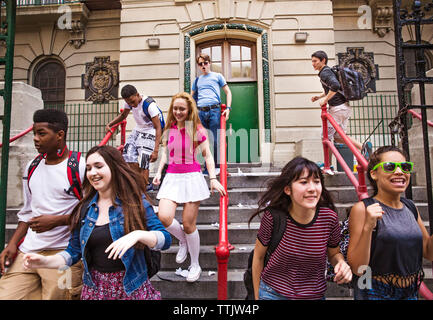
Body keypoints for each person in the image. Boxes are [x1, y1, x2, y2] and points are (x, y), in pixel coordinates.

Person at [22, 145, 171, 300]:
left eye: (98, 166)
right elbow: (73, 252)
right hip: (95, 290)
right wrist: (45, 261)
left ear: (114, 168)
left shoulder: (135, 203)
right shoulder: (85, 209)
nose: (92, 173)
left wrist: (138, 235)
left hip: (131, 288)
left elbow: (165, 240)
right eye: (88, 168)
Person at [0, 109, 85, 300]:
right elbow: (27, 212)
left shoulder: (79, 165)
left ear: (60, 135)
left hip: (64, 253)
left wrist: (59, 221)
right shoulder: (32, 166)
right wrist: (12, 244)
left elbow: (95, 212)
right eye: (34, 134)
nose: (35, 139)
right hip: (28, 252)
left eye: (42, 133)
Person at [249, 157, 352, 300]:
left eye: (316, 182)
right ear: (287, 189)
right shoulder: (274, 217)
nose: (312, 188)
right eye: (303, 182)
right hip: (273, 294)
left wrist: (341, 263)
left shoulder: (329, 218)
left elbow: (334, 254)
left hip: (314, 295)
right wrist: (256, 297)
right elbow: (258, 257)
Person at [153, 92, 226, 282]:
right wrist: (159, 172)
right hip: (172, 177)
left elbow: (208, 156)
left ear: (189, 110)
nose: (178, 112)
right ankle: (183, 240)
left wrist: (213, 178)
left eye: (182, 109)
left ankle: (195, 264)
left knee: (188, 223)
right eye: (175, 108)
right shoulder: (168, 129)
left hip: (192, 176)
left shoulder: (197, 130)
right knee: (164, 216)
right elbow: (165, 155)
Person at [347, 146, 433, 300]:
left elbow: (429, 252)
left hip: (411, 292)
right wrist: (368, 227)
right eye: (390, 167)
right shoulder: (363, 209)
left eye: (405, 167)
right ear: (374, 174)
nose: (400, 172)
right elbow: (358, 268)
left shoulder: (410, 207)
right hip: (375, 292)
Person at [311, 50, 372, 173]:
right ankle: (363, 147)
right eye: (312, 61)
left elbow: (335, 86)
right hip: (344, 107)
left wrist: (325, 101)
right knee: (339, 137)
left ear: (323, 60)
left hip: (337, 109)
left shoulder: (325, 72)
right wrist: (320, 97)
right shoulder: (328, 71)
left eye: (315, 61)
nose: (313, 64)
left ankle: (327, 166)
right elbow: (332, 87)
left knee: (326, 137)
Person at [105, 84, 163, 188]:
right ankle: (138, 182)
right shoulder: (129, 102)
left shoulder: (149, 105)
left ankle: (144, 185)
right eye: (129, 103)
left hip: (150, 130)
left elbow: (158, 127)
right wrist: (110, 124)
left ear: (137, 95)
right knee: (128, 155)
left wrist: (156, 150)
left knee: (144, 158)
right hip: (138, 129)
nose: (132, 105)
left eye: (133, 101)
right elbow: (123, 115)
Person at [191, 52, 232, 175]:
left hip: (214, 110)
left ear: (209, 63)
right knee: (202, 140)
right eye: (200, 64)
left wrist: (228, 108)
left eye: (205, 63)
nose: (203, 66)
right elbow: (190, 97)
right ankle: (206, 167)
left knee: (216, 139)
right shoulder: (197, 80)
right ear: (198, 66)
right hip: (200, 112)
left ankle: (218, 167)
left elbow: (228, 92)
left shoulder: (217, 76)